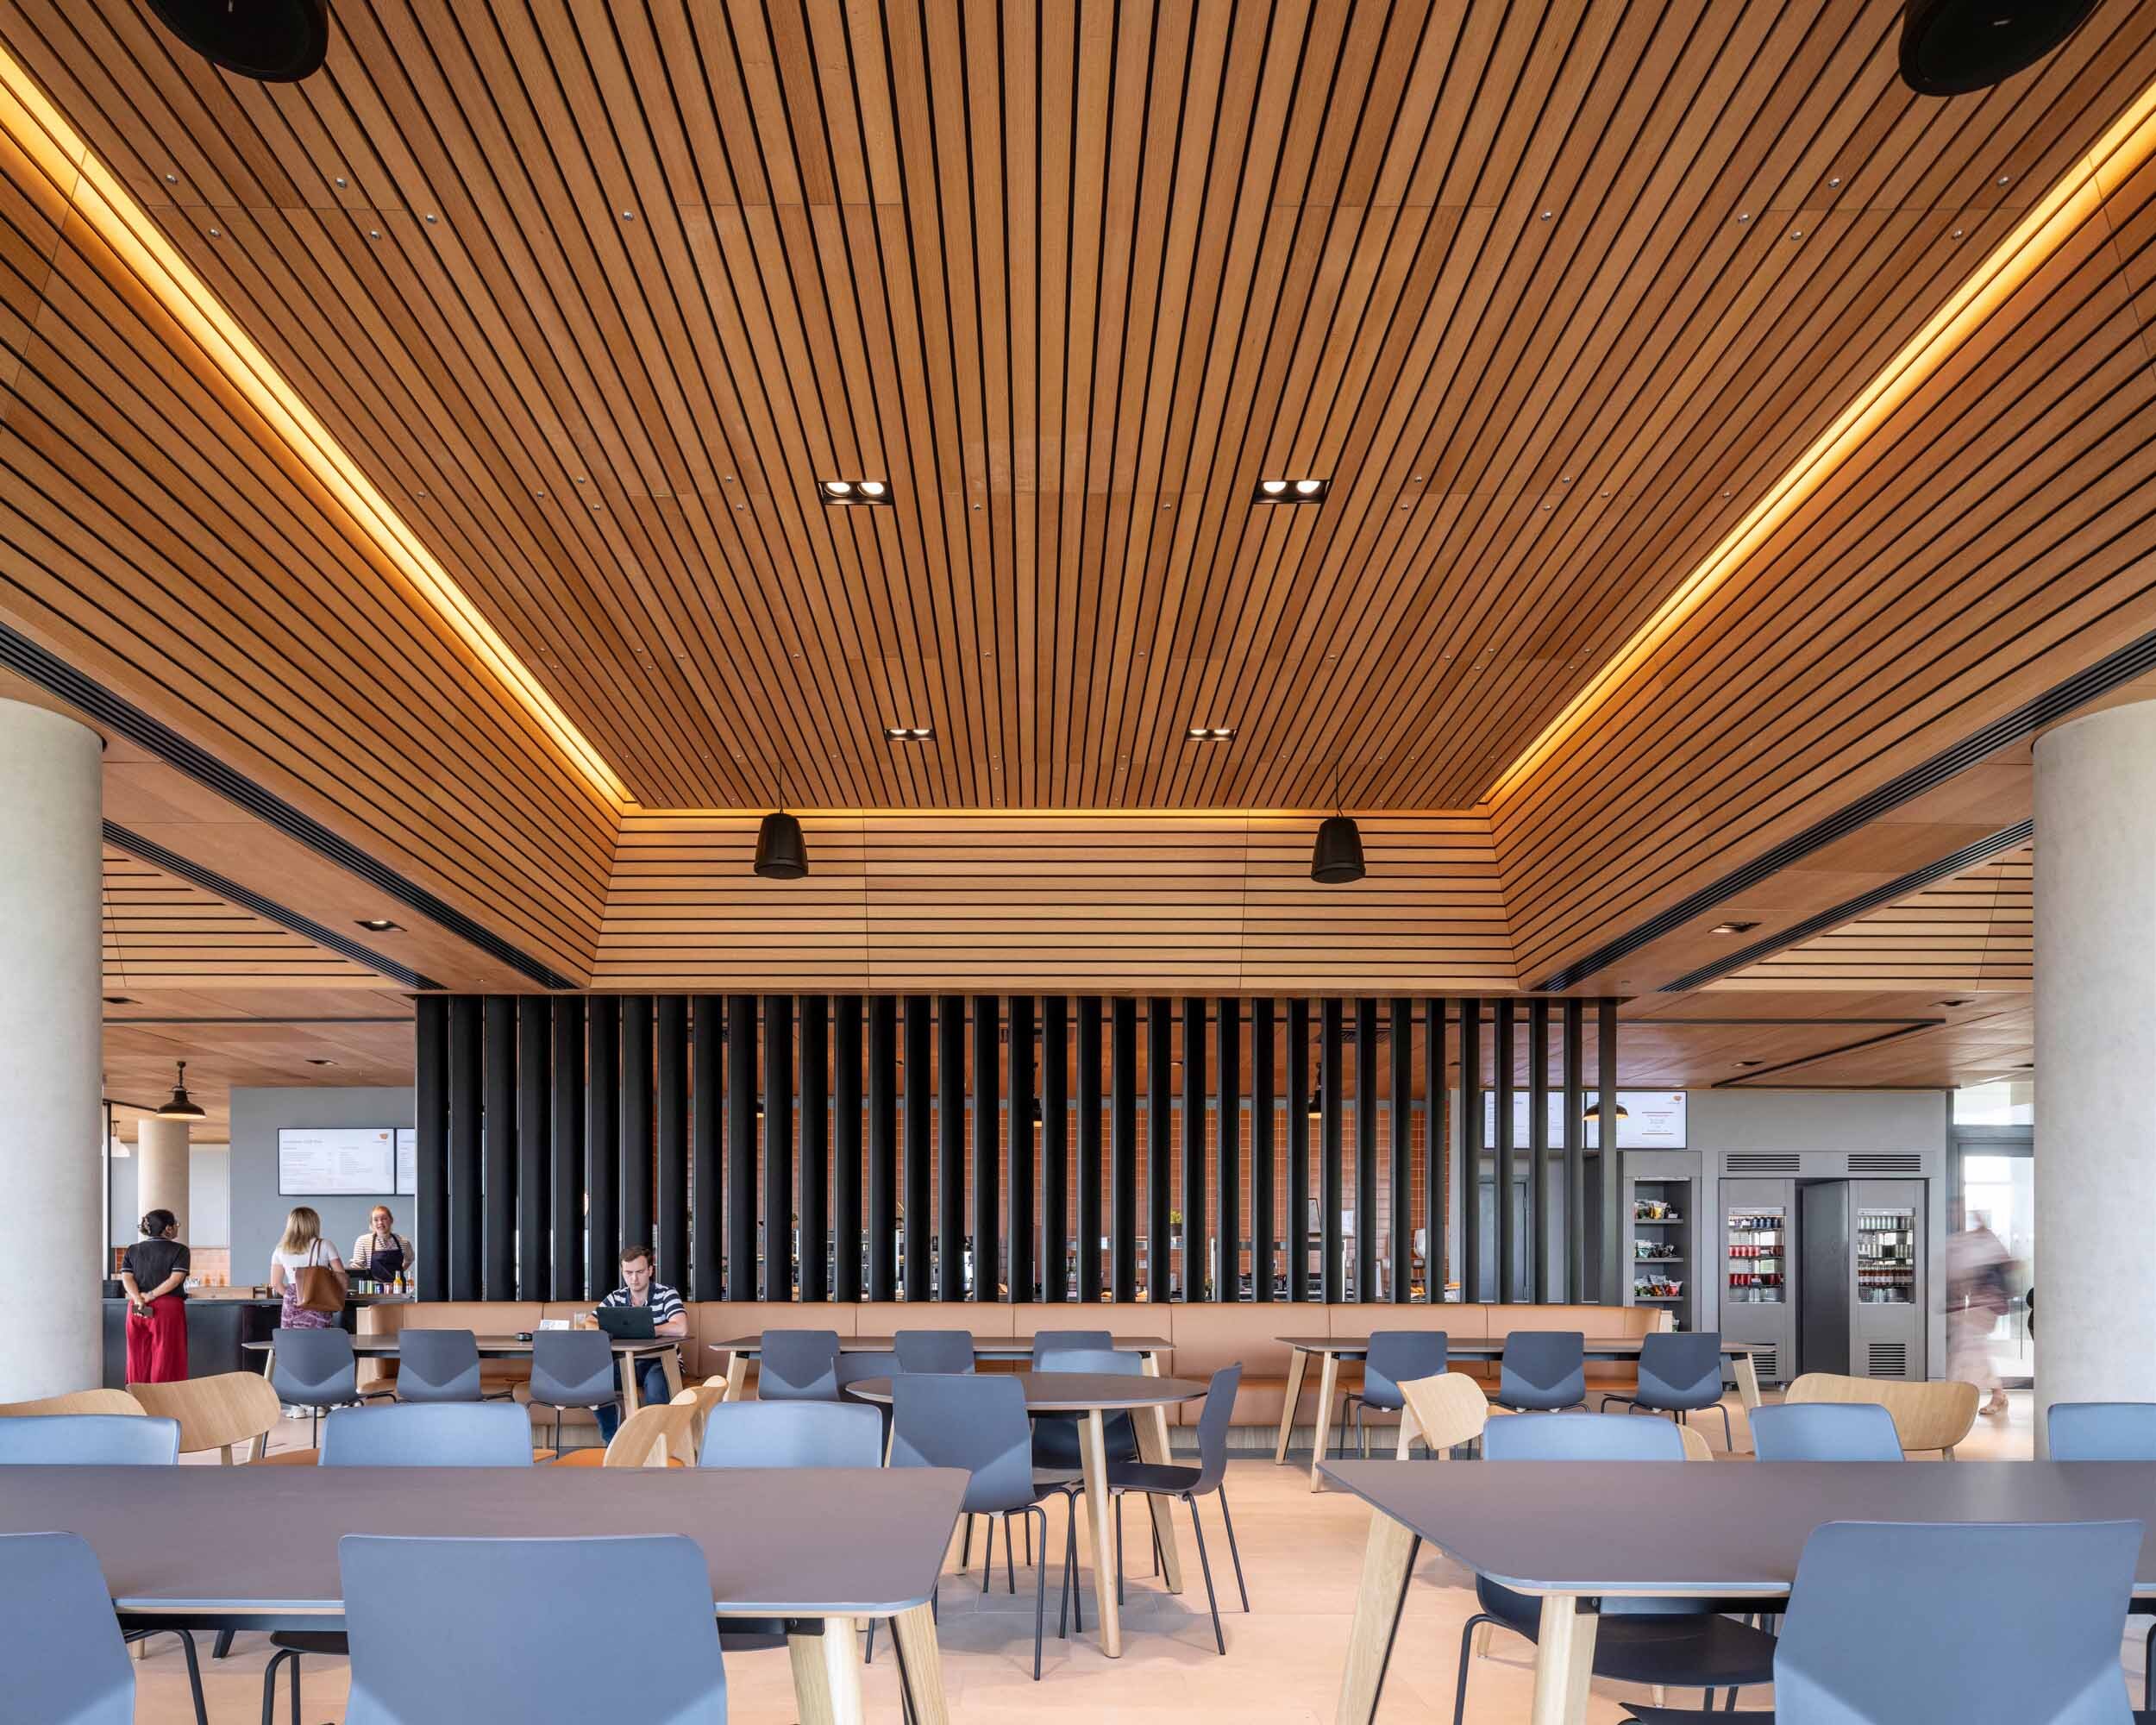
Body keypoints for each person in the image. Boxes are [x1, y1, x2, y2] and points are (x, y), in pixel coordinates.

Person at [592, 1243, 684, 1442]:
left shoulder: (667, 1294)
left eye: (640, 1272)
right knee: (595, 1381)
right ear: (622, 1272)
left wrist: (646, 1330)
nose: (634, 1278)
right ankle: (614, 1443)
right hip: (625, 1363)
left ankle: (654, 1445)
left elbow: (681, 1327)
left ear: (650, 1270)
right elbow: (590, 1322)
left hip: (662, 1362)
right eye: (628, 1273)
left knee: (656, 1387)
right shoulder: (615, 1298)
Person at [1946, 1202, 2014, 1416]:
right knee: (1971, 1348)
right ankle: (1994, 1394)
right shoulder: (1964, 1242)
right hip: (1975, 1305)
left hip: (1985, 1306)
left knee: (1969, 1347)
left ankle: (1960, 1398)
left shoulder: (1984, 1241)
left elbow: (2003, 1266)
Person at [119, 1208, 190, 1383]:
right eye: (176, 1224)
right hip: (166, 1308)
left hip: (137, 1307)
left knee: (136, 1356)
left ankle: (137, 1396)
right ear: (168, 1228)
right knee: (166, 1356)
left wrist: (138, 1298)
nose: (177, 1227)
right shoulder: (180, 1250)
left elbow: (127, 1278)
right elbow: (175, 1279)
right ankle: (162, 1398)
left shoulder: (132, 1250)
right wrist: (151, 1295)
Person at [270, 1205, 347, 1329]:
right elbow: (341, 1275)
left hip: (291, 1303)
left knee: (291, 1339)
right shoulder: (325, 1245)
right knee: (319, 1339)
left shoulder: (280, 1249)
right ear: (314, 1223)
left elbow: (276, 1284)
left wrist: (294, 1295)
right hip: (318, 1299)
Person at [349, 1206, 415, 1290]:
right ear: (371, 1223)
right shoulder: (363, 1241)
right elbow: (357, 1267)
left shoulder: (403, 1242)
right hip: (373, 1290)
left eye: (384, 1219)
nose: (380, 1222)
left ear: (391, 1220)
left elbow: (409, 1259)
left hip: (398, 1289)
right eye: (376, 1220)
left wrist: (398, 1274)